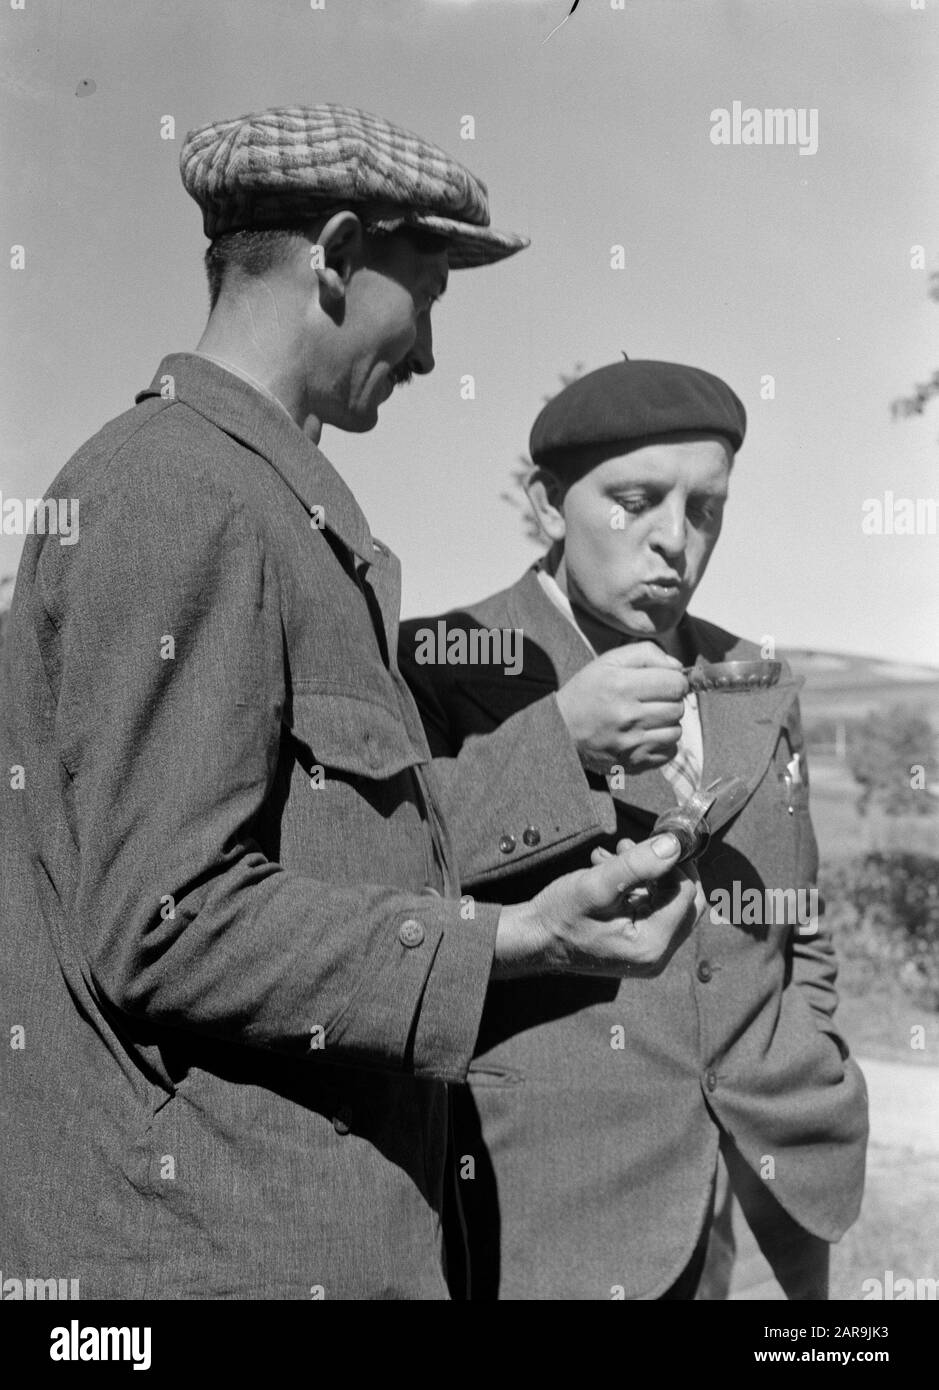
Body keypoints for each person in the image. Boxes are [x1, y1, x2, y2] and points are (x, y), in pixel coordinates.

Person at [0, 113, 697, 1300]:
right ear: (332, 254)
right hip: (205, 1262)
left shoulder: (263, 505)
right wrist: (518, 940)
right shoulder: (179, 491)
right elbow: (169, 919)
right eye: (424, 297)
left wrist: (549, 773)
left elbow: (343, 844)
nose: (428, 355)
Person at [400, 358, 869, 1300]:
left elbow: (795, 916)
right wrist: (554, 742)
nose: (673, 542)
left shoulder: (757, 679)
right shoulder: (439, 665)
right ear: (546, 504)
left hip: (737, 1184)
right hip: (540, 1209)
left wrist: (804, 1053)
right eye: (634, 500)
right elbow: (389, 896)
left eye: (704, 509)